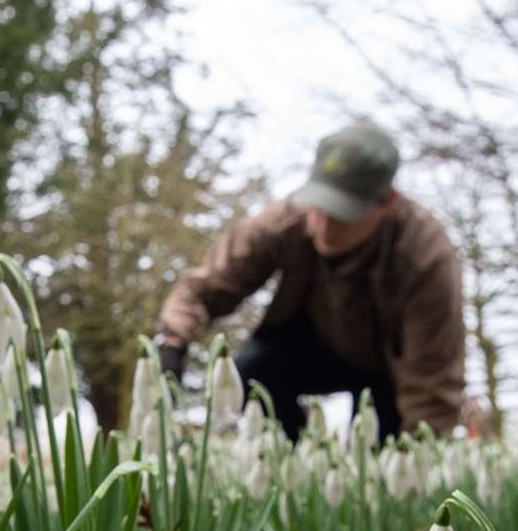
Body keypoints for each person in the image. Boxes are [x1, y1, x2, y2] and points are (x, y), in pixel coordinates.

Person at [155, 122, 465, 441]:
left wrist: (420, 450)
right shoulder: (282, 223)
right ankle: (289, 459)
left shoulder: (424, 256)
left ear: (387, 202)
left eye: (344, 213)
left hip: (387, 367)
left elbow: (432, 374)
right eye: (319, 205)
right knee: (250, 374)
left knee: (383, 446)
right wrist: (173, 340)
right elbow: (206, 286)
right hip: (303, 345)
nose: (324, 225)